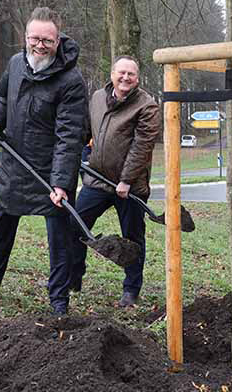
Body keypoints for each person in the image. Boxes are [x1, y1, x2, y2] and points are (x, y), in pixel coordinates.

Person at [0, 7, 87, 316]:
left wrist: (61, 183)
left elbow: (70, 137)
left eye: (47, 40)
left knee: (59, 238)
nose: (40, 45)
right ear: (26, 37)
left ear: (58, 40)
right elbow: (2, 97)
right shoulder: (16, 64)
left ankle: (59, 300)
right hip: (14, 163)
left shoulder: (71, 80)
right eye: (34, 39)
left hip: (50, 171)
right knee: (0, 228)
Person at [70, 55, 161, 307]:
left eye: (131, 74)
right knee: (75, 225)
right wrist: (78, 155)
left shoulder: (147, 106)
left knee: (132, 238)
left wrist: (126, 180)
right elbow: (86, 131)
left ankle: (131, 289)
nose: (125, 78)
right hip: (97, 181)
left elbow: (142, 147)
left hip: (129, 187)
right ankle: (73, 277)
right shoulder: (98, 97)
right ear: (112, 74)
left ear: (137, 79)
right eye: (121, 72)